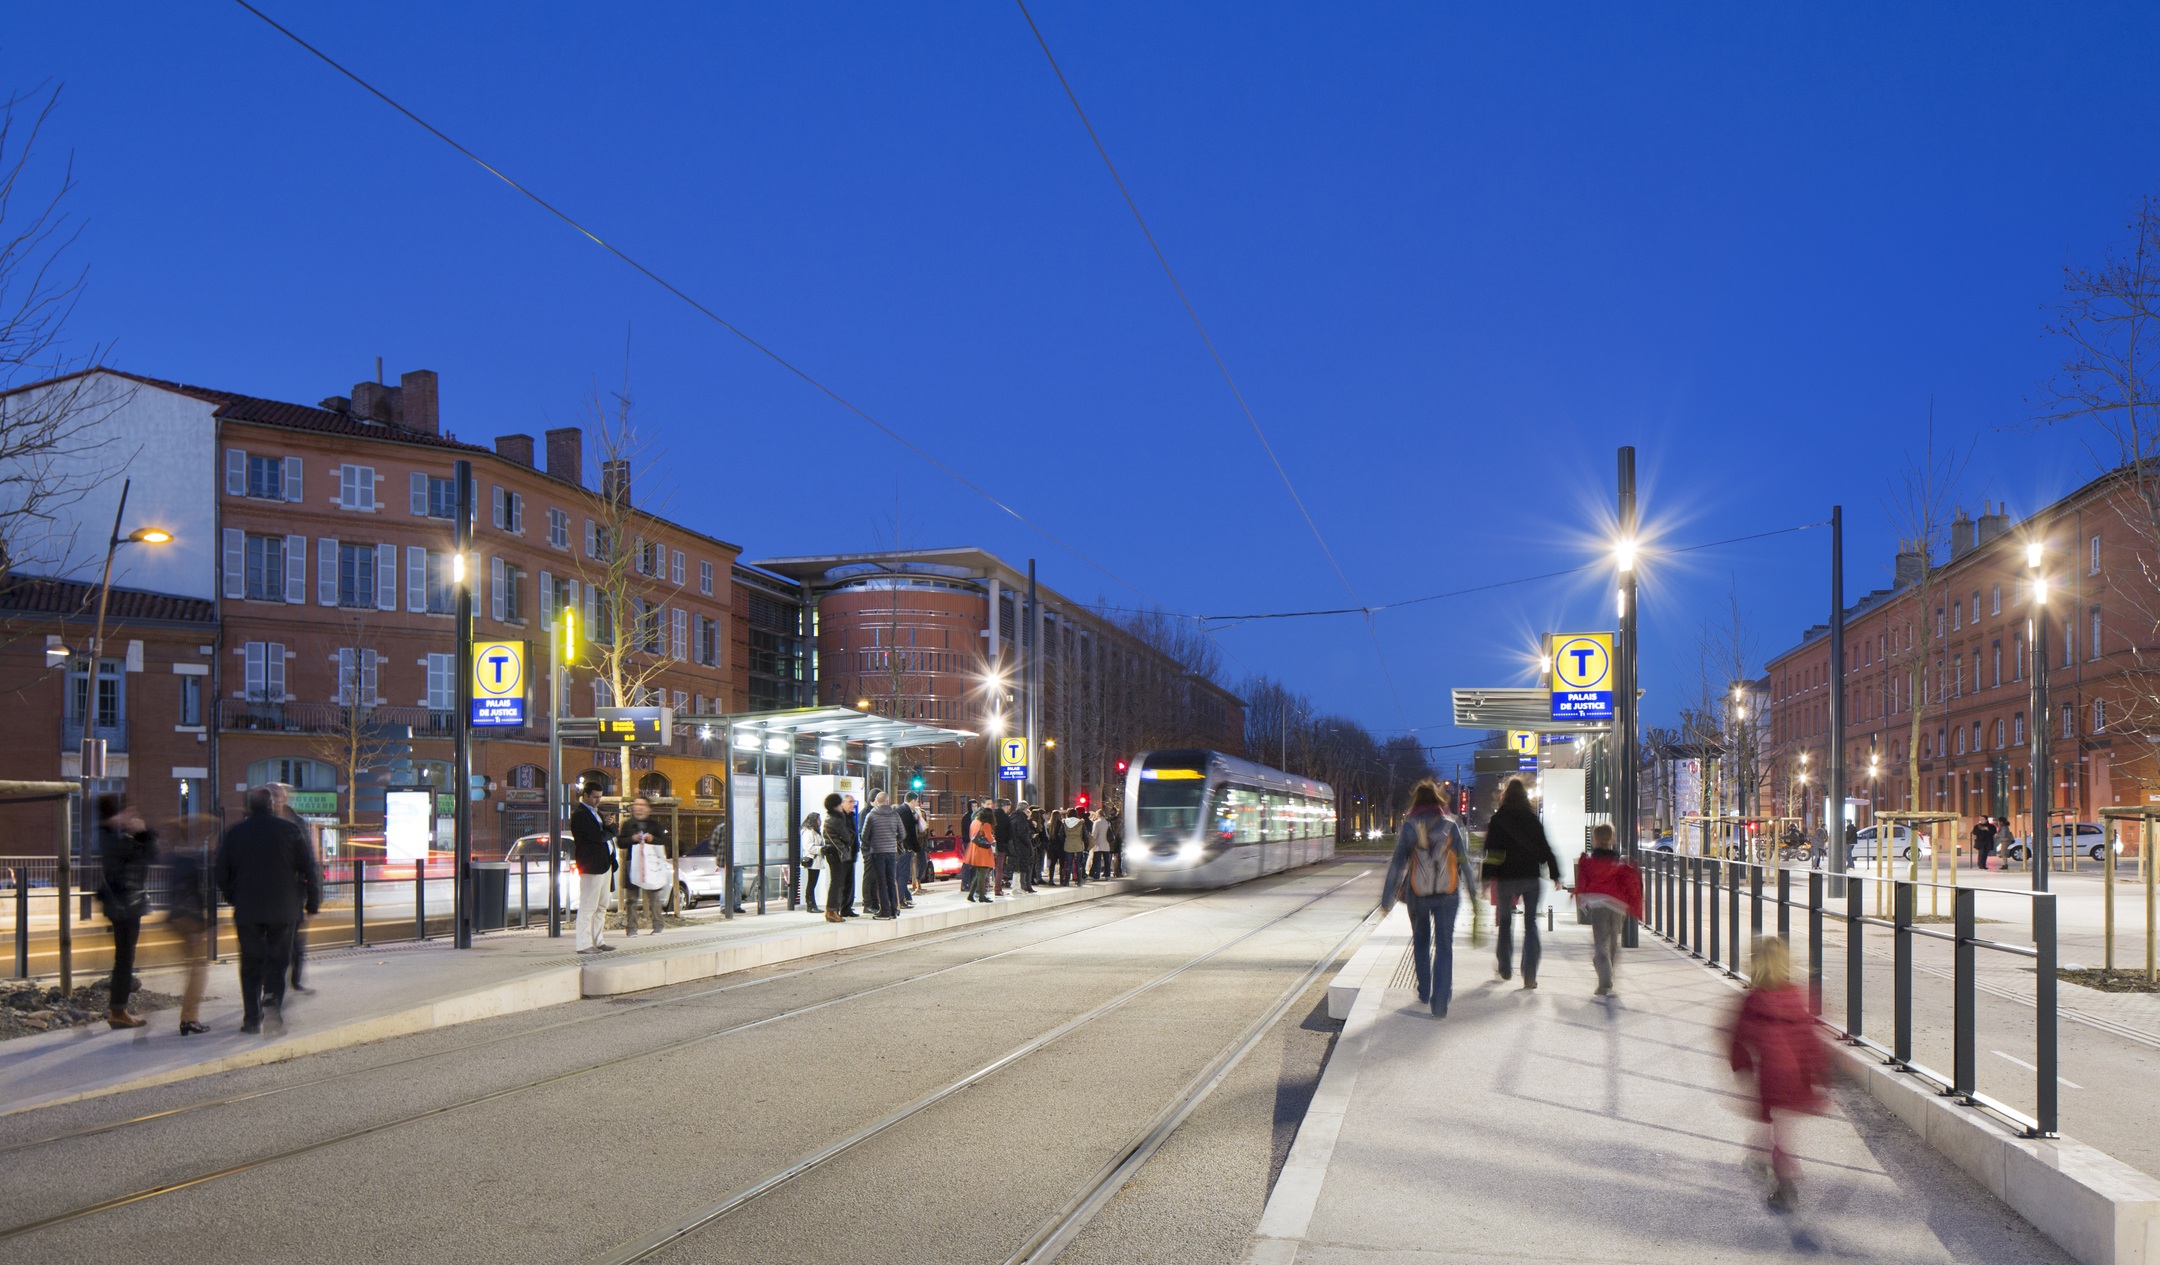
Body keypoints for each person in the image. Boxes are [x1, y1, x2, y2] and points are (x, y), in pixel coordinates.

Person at [1728, 936, 1831, 1213]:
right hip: (1797, 1075)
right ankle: (1761, 1157)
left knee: (1776, 1129)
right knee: (1784, 1127)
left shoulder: (1753, 1000)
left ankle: (1785, 1183)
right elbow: (1808, 1037)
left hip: (1771, 1075)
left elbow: (1738, 1038)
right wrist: (1819, 1071)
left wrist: (1742, 1068)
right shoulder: (1795, 997)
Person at [215, 787, 322, 1034]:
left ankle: (251, 1018)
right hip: (284, 908)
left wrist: (233, 896)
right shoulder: (289, 830)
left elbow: (220, 871)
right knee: (278, 960)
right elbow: (309, 867)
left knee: (250, 962)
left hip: (248, 908)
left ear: (248, 807)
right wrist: (312, 902)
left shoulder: (235, 833)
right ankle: (273, 1004)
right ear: (272, 805)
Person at [1382, 781, 1473, 1018]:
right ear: (1438, 801)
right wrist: (1474, 892)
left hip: (1418, 895)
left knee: (1421, 942)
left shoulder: (1410, 827)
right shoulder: (1450, 824)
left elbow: (1397, 865)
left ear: (1416, 802)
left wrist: (1387, 900)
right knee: (1444, 946)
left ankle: (1424, 989)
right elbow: (1464, 861)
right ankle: (1440, 998)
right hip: (1447, 895)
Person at [1482, 778, 1560, 989]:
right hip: (1530, 878)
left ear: (1505, 795)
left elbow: (1491, 852)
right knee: (1531, 925)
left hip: (1507, 878)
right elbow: (1544, 848)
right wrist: (1555, 874)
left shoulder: (1498, 819)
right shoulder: (1531, 818)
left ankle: (1505, 967)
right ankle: (1530, 974)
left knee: (1506, 924)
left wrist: (1487, 878)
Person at [95, 794, 157, 1029]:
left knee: (124, 958)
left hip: (124, 904)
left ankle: (118, 1009)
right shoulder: (115, 840)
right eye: (127, 813)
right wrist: (144, 833)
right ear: (115, 815)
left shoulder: (110, 837)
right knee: (124, 959)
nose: (131, 817)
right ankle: (118, 1011)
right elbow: (149, 855)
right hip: (126, 905)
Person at [1574, 823, 1644, 997]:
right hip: (1618, 906)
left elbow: (1583, 881)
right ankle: (1609, 972)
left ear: (1595, 839)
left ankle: (1605, 981)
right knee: (1613, 940)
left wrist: (1581, 899)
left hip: (1599, 904)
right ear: (1612, 839)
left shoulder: (1590, 861)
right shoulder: (1619, 862)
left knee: (1600, 944)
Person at [269, 784, 318, 995]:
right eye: (273, 795)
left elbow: (308, 859)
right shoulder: (261, 823)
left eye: (279, 795)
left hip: (294, 890)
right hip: (269, 891)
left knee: (296, 940)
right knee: (272, 941)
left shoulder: (298, 823)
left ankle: (295, 980)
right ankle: (271, 987)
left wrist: (312, 898)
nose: (277, 799)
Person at [165, 839, 212, 1035]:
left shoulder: (176, 859)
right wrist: (199, 924)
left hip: (179, 918)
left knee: (192, 970)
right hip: (189, 920)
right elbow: (191, 894)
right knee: (198, 971)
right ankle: (189, 1018)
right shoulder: (188, 861)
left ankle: (188, 1017)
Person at [570, 780, 617, 955]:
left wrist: (610, 825)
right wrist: (610, 830)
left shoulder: (594, 813)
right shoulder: (581, 815)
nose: (598, 800)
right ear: (586, 795)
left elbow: (608, 833)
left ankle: (598, 940)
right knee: (588, 906)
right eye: (595, 797)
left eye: (600, 797)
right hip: (591, 866)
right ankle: (583, 944)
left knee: (602, 905)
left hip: (603, 865)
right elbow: (597, 837)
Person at [618, 794, 669, 936]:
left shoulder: (655, 825)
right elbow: (620, 843)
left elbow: (665, 842)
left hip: (651, 864)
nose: (638, 808)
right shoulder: (627, 825)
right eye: (636, 805)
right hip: (632, 864)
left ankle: (658, 924)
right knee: (631, 899)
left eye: (642, 805)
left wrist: (653, 839)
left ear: (648, 809)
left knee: (654, 896)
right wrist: (631, 839)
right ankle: (632, 928)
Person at [860, 791, 905, 920]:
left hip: (877, 852)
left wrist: (874, 842)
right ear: (887, 801)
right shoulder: (895, 816)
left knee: (881, 882)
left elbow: (864, 836)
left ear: (877, 801)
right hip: (891, 852)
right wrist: (892, 839)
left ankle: (884, 911)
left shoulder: (871, 816)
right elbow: (902, 835)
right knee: (891, 881)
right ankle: (894, 909)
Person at [821, 793, 859, 922]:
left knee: (837, 883)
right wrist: (850, 837)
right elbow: (847, 837)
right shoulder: (835, 819)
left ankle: (833, 910)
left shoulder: (831, 818)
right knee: (837, 883)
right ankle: (832, 911)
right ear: (836, 805)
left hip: (835, 854)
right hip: (837, 854)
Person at [964, 807, 999, 902]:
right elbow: (989, 838)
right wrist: (994, 841)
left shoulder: (975, 822)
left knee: (979, 873)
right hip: (983, 851)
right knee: (982, 874)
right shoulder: (986, 824)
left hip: (974, 848)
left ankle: (971, 895)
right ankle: (981, 896)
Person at [898, 790, 924, 907]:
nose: (917, 804)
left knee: (900, 873)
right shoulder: (905, 812)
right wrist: (916, 848)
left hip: (901, 847)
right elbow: (910, 833)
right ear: (912, 801)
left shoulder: (902, 810)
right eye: (916, 801)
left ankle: (906, 897)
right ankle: (900, 900)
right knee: (903, 874)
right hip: (905, 848)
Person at [1009, 804, 1040, 894]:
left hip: (1014, 845)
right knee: (1020, 868)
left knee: (1017, 868)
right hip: (1021, 846)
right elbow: (1022, 833)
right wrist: (1028, 839)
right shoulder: (1021, 818)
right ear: (1024, 809)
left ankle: (1017, 887)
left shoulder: (1013, 817)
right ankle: (1016, 887)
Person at [798, 812, 824, 913]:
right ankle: (810, 904)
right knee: (811, 883)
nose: (820, 821)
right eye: (818, 819)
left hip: (816, 861)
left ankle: (812, 904)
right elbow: (809, 847)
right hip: (812, 861)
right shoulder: (808, 832)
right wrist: (822, 849)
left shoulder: (814, 831)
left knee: (813, 883)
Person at [993, 799, 1015, 896]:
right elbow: (1010, 834)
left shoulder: (991, 815)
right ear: (1005, 806)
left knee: (988, 868)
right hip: (1001, 846)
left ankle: (982, 889)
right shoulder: (1005, 817)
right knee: (999, 868)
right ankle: (998, 889)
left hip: (990, 845)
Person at [1064, 807, 1089, 885]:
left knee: (1069, 863)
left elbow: (1061, 834)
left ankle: (1067, 881)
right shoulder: (1081, 823)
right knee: (1078, 863)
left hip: (1068, 844)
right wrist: (1086, 844)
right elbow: (1085, 835)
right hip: (1078, 844)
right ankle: (1079, 881)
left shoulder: (1064, 822)